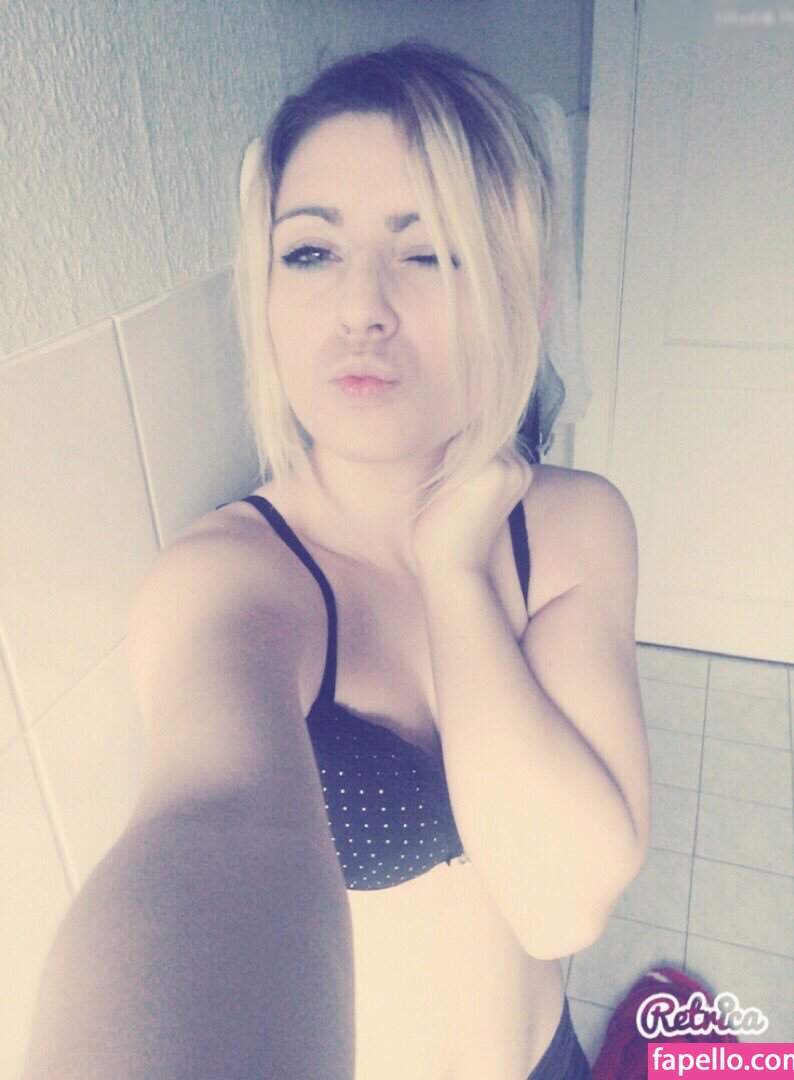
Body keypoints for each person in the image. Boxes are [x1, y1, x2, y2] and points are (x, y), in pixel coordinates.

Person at [23, 41, 650, 1079]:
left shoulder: (575, 528)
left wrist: (454, 573)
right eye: (311, 253)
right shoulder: (232, 585)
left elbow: (560, 905)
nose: (362, 307)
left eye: (428, 252)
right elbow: (206, 835)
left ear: (525, 298)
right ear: (266, 295)